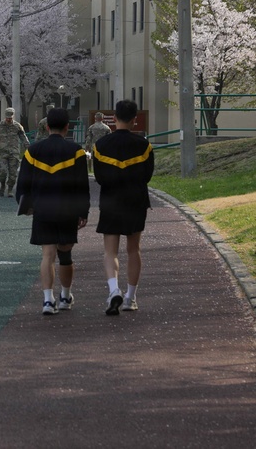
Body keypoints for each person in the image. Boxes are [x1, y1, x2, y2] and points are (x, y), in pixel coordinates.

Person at [16, 108, 89, 315]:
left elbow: (23, 185)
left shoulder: (33, 152)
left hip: (43, 208)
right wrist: (83, 212)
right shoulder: (76, 151)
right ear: (68, 127)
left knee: (47, 255)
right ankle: (65, 296)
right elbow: (82, 185)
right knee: (65, 253)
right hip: (67, 209)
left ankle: (48, 300)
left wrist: (26, 206)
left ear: (47, 127)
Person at [92, 99, 154, 315]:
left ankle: (113, 289)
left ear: (114, 118)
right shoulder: (144, 145)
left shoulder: (100, 146)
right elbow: (147, 175)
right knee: (133, 249)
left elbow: (99, 177)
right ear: (135, 120)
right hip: (136, 200)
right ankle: (130, 297)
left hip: (111, 200)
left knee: (110, 251)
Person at [0, 107, 29, 197]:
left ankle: (10, 189)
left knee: (13, 173)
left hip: (14, 152)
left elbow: (23, 137)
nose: (8, 119)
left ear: (13, 117)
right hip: (3, 152)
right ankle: (3, 184)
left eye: (10, 118)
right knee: (3, 172)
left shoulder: (17, 126)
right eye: (7, 118)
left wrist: (27, 148)